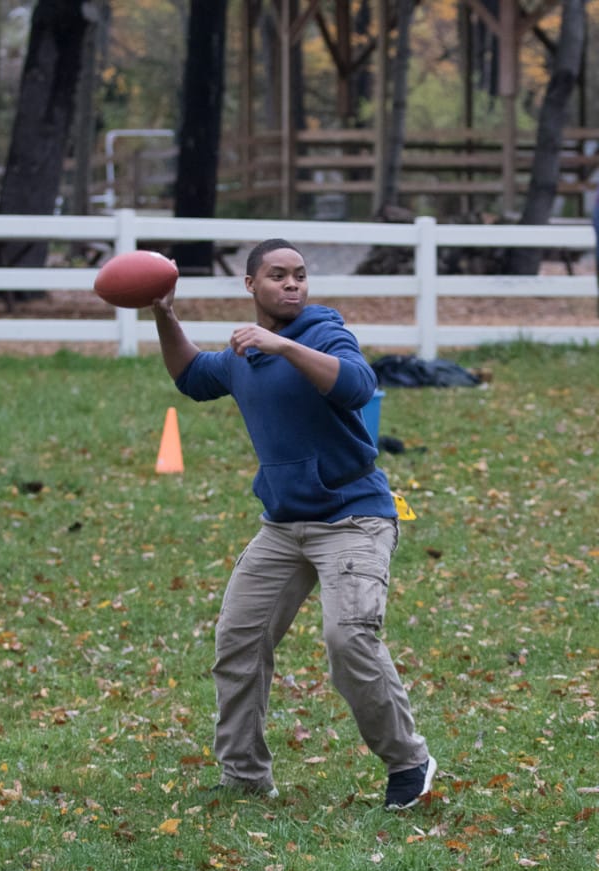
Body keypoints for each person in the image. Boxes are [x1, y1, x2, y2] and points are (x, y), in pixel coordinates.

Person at [152, 239, 434, 810]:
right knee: (238, 640)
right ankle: (245, 775)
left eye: (300, 275)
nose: (292, 285)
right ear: (250, 285)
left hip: (354, 519)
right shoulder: (242, 354)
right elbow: (192, 377)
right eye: (278, 275)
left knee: (348, 638)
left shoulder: (324, 331)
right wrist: (165, 315)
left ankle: (410, 762)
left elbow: (357, 385)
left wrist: (282, 344)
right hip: (283, 526)